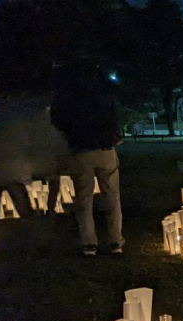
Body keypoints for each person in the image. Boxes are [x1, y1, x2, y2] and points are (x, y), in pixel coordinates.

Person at [50, 62, 123, 256]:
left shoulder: (67, 95)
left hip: (81, 150)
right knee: (112, 197)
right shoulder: (104, 92)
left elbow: (57, 119)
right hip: (106, 149)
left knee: (84, 198)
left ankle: (89, 243)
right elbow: (115, 115)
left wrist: (70, 133)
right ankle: (116, 241)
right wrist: (115, 134)